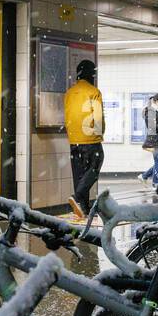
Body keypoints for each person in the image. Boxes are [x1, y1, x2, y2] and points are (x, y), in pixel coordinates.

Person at [63, 59, 105, 218]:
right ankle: (77, 197)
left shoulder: (70, 92)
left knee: (80, 173)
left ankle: (83, 209)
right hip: (90, 137)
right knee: (94, 167)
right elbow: (98, 116)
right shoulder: (93, 91)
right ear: (91, 74)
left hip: (74, 139)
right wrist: (100, 133)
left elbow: (68, 114)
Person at [139, 94, 158, 187]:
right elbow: (152, 127)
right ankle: (155, 183)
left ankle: (144, 176)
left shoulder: (157, 111)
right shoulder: (150, 111)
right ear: (156, 101)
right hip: (154, 140)